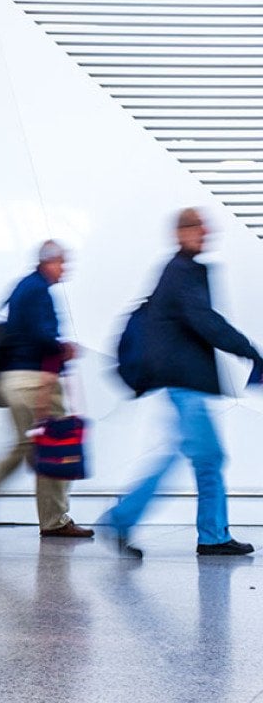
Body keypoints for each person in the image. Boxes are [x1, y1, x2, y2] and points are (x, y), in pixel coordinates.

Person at [101, 208, 263, 558]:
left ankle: (211, 534)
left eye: (205, 228)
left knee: (203, 458)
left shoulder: (180, 271)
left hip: (184, 381)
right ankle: (125, 518)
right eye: (197, 227)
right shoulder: (181, 271)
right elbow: (203, 319)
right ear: (180, 232)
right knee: (201, 457)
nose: (205, 233)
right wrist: (248, 350)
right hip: (184, 382)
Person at [0, 241, 93, 538]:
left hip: (12, 380)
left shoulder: (24, 287)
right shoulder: (38, 290)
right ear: (48, 261)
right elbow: (40, 335)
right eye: (62, 262)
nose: (65, 268)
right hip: (32, 380)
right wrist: (64, 347)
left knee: (28, 446)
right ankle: (55, 520)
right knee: (56, 446)